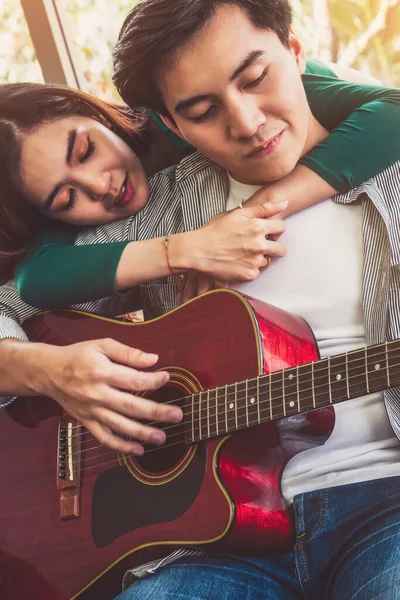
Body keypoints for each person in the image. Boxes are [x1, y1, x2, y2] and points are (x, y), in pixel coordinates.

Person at [1, 7, 400, 595]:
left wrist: (259, 210)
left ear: (295, 51)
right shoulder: (165, 211)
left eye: (254, 78)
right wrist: (50, 368)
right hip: (210, 540)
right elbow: (24, 289)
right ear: (171, 125)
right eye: (203, 111)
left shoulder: (386, 158)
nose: (246, 122)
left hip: (384, 507)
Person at [2, 67, 400, 453]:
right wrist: (47, 370)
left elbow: (392, 110)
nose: (99, 185)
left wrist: (247, 216)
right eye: (66, 199)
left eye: (86, 150)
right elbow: (36, 278)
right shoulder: (141, 219)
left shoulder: (234, 88)